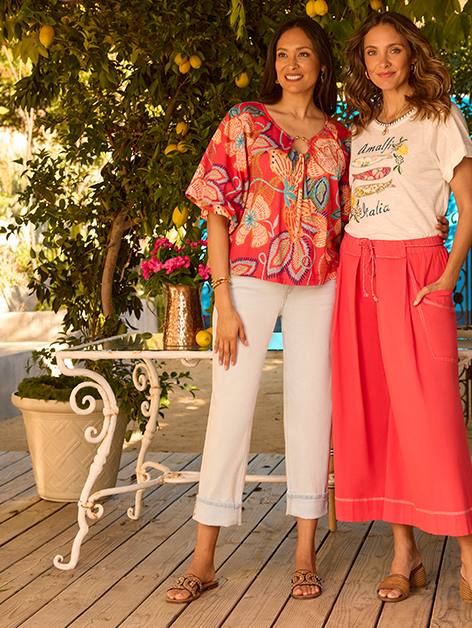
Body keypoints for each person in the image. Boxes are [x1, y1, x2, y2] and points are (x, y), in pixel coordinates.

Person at [331, 11, 472, 620]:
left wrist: (447, 273)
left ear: (412, 56)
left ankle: (470, 565)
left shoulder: (439, 117)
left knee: (431, 415)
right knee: (380, 414)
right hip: (359, 269)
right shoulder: (357, 130)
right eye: (373, 53)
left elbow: (467, 205)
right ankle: (402, 553)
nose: (383, 62)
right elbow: (356, 205)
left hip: (418, 272)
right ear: (363, 63)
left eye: (394, 50)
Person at [168, 16, 347, 603]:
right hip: (247, 281)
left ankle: (303, 552)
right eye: (281, 55)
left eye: (302, 54)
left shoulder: (342, 137)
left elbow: (354, 220)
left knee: (311, 409)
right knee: (230, 407)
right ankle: (203, 559)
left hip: (320, 283)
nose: (290, 64)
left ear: (321, 63)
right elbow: (216, 208)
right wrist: (220, 296)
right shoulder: (243, 121)